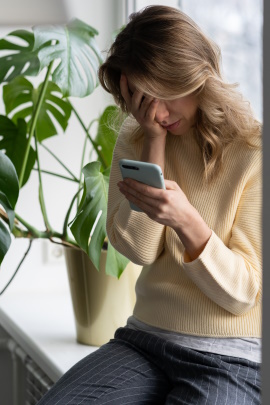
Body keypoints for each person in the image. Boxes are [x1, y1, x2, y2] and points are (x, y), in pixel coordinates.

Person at [38, 5, 262, 404]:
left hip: (232, 356)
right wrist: (154, 143)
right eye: (139, 100)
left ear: (191, 76)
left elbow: (243, 292)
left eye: (160, 96)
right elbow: (139, 250)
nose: (154, 113)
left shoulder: (253, 151)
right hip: (146, 340)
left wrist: (186, 220)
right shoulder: (139, 135)